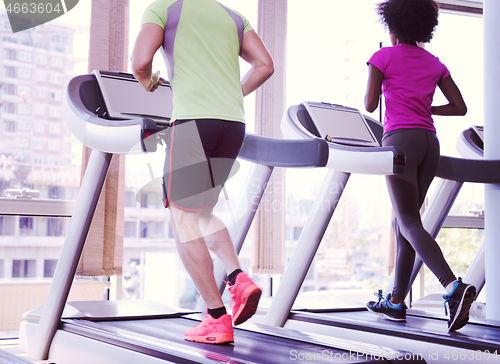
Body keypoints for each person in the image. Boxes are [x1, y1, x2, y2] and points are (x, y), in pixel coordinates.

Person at [131, 0, 274, 344]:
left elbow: (140, 63)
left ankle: (215, 317)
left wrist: (149, 84)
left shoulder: (163, 8)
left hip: (193, 122)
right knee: (201, 213)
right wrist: (228, 94)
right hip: (232, 124)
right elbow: (265, 66)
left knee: (182, 220)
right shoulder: (234, 16)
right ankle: (238, 277)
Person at [364, 0, 476, 332]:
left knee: (409, 221)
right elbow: (460, 107)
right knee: (406, 226)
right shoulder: (434, 62)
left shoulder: (382, 56)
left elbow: (370, 105)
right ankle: (396, 301)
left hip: (399, 141)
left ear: (392, 25)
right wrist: (426, 108)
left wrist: (386, 81)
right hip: (430, 143)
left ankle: (453, 287)